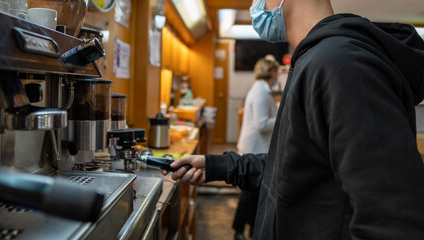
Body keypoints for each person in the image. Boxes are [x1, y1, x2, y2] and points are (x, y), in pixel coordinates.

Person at [164, 0, 424, 239]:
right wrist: (218, 166)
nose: (255, 4)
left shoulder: (340, 64)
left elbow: (391, 219)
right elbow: (293, 167)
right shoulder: (314, 59)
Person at [234, 57, 279, 240]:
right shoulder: (261, 92)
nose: (278, 75)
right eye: (276, 72)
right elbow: (261, 124)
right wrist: (283, 117)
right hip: (254, 149)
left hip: (254, 147)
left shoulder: (262, 89)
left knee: (254, 194)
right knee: (249, 194)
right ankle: (238, 231)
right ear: (271, 72)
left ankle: (250, 230)